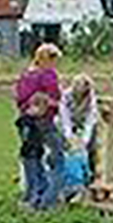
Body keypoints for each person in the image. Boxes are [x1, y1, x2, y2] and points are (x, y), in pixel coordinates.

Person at [14, 43, 65, 210]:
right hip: (45, 122)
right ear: (48, 59)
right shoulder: (48, 74)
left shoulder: (25, 75)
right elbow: (55, 97)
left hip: (26, 122)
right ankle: (48, 201)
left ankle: (33, 196)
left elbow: (19, 99)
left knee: (32, 158)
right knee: (58, 161)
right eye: (55, 60)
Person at [57, 73, 98, 198]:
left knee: (89, 151)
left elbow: (90, 119)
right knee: (65, 151)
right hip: (66, 124)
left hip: (83, 124)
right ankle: (66, 183)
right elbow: (64, 117)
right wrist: (69, 135)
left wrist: (85, 139)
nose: (81, 93)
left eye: (84, 90)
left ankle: (87, 180)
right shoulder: (66, 95)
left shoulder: (91, 98)